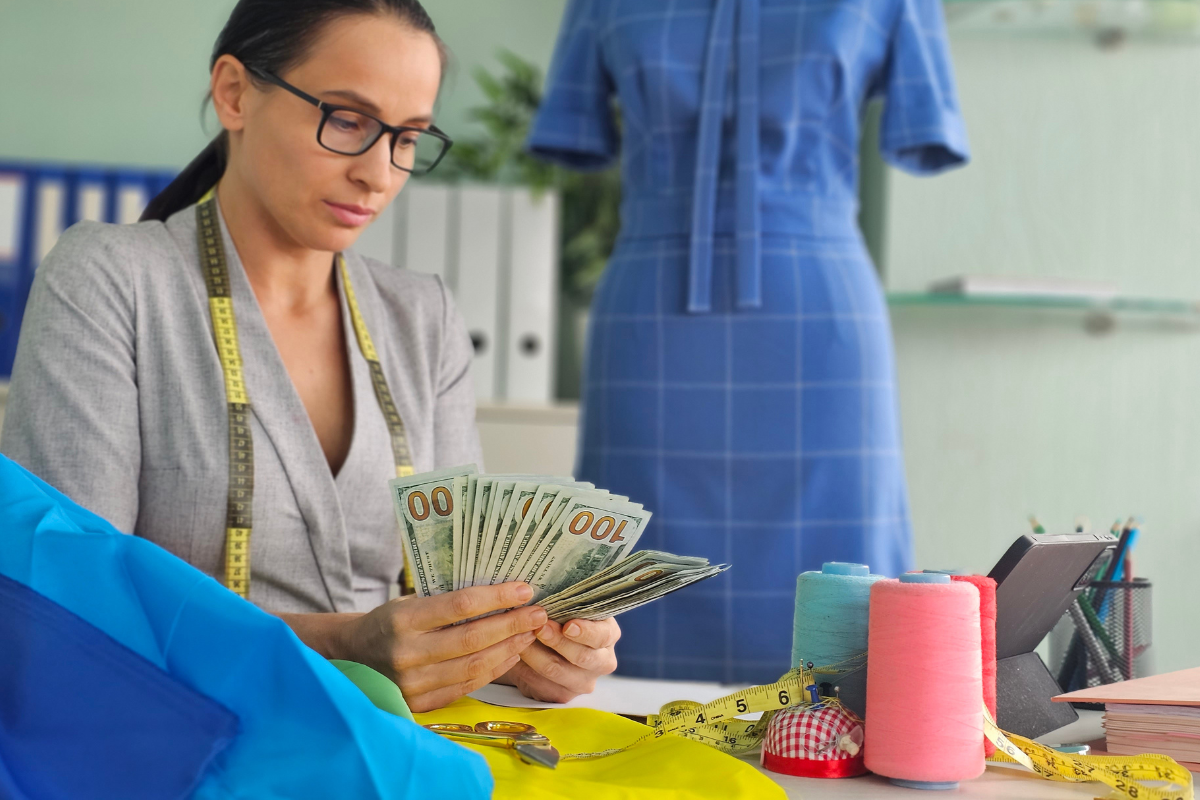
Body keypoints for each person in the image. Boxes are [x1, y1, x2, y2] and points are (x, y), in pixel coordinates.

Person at [0, 0, 617, 713]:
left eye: (409, 138)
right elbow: (66, 606)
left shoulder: (425, 319)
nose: (379, 174)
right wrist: (344, 647)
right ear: (234, 93)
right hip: (178, 740)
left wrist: (521, 649)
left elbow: (452, 601)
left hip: (402, 746)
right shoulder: (113, 280)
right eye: (348, 120)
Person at [529, 0, 969, 683]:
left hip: (817, 310)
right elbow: (575, 125)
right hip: (653, 312)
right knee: (627, 569)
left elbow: (924, 124)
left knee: (847, 594)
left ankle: (840, 730)